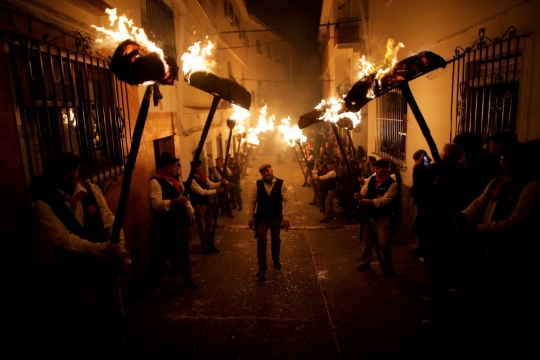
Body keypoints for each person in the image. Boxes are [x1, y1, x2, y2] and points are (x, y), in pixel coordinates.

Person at [36, 152, 128, 355]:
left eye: (74, 169)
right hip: (71, 265)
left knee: (111, 303)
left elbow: (109, 219)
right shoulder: (45, 203)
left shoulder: (92, 190)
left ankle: (115, 340)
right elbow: (64, 239)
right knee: (76, 311)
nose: (72, 175)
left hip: (101, 263)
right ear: (53, 176)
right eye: (65, 172)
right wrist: (99, 248)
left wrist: (117, 240)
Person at [148, 152, 198, 291]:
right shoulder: (155, 182)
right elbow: (156, 204)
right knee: (161, 255)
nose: (177, 167)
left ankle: (187, 279)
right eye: (174, 165)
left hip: (180, 222)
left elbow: (184, 196)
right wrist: (175, 202)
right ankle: (153, 286)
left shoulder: (176, 179)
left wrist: (190, 211)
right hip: (165, 224)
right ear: (166, 167)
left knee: (184, 251)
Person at [248, 164, 291, 281]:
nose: (266, 174)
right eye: (263, 172)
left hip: (276, 216)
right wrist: (250, 217)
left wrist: (286, 218)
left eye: (267, 171)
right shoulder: (257, 184)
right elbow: (252, 201)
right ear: (261, 174)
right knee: (261, 240)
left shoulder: (281, 183)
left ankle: (276, 259)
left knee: (275, 239)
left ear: (271, 170)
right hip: (262, 217)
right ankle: (262, 268)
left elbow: (287, 201)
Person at [356, 159, 398, 276]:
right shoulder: (371, 179)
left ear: (386, 169)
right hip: (369, 216)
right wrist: (359, 195)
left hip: (382, 217)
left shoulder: (392, 184)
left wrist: (368, 201)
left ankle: (388, 265)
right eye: (375, 168)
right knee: (367, 240)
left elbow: (384, 201)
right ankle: (365, 261)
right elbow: (364, 191)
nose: (376, 171)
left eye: (378, 168)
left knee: (383, 242)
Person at [189, 159, 224, 255]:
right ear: (193, 168)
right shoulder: (191, 180)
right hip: (199, 206)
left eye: (200, 166)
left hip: (207, 204)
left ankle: (211, 245)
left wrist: (221, 183)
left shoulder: (203, 176)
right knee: (202, 228)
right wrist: (216, 191)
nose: (199, 168)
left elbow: (212, 185)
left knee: (209, 226)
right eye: (197, 167)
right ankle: (204, 247)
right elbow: (201, 192)